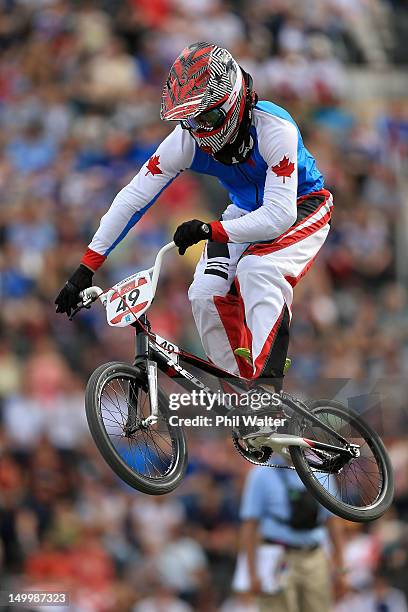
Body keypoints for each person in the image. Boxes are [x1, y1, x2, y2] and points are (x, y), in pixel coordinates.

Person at [55, 42, 333, 432]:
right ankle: (244, 405)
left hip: (302, 206)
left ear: (231, 101)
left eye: (206, 118)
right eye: (192, 120)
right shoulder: (185, 139)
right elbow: (133, 197)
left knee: (257, 270)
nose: (200, 131)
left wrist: (210, 230)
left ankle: (268, 391)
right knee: (203, 294)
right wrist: (86, 268)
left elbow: (278, 216)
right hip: (244, 214)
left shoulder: (275, 129)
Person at [234, 459, 347, 612]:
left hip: (314, 556)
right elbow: (249, 526)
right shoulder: (261, 474)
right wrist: (251, 573)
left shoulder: (321, 471)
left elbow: (332, 521)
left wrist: (340, 567)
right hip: (277, 557)